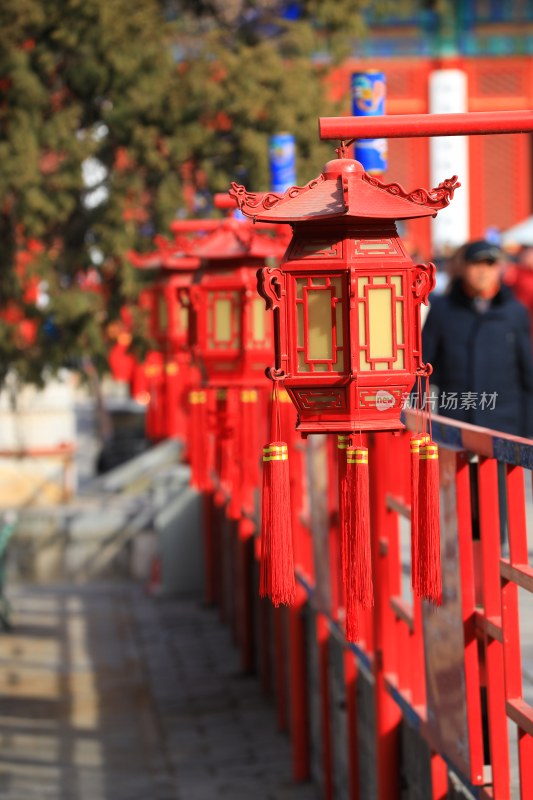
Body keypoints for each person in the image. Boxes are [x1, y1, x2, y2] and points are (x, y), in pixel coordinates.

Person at [422, 238, 533, 438]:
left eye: (489, 264)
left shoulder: (514, 311)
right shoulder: (443, 310)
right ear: (463, 267)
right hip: (456, 422)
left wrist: (528, 431)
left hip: (505, 426)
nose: (483, 271)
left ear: (499, 268)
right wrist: (419, 421)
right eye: (476, 263)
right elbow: (423, 367)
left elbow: (527, 374)